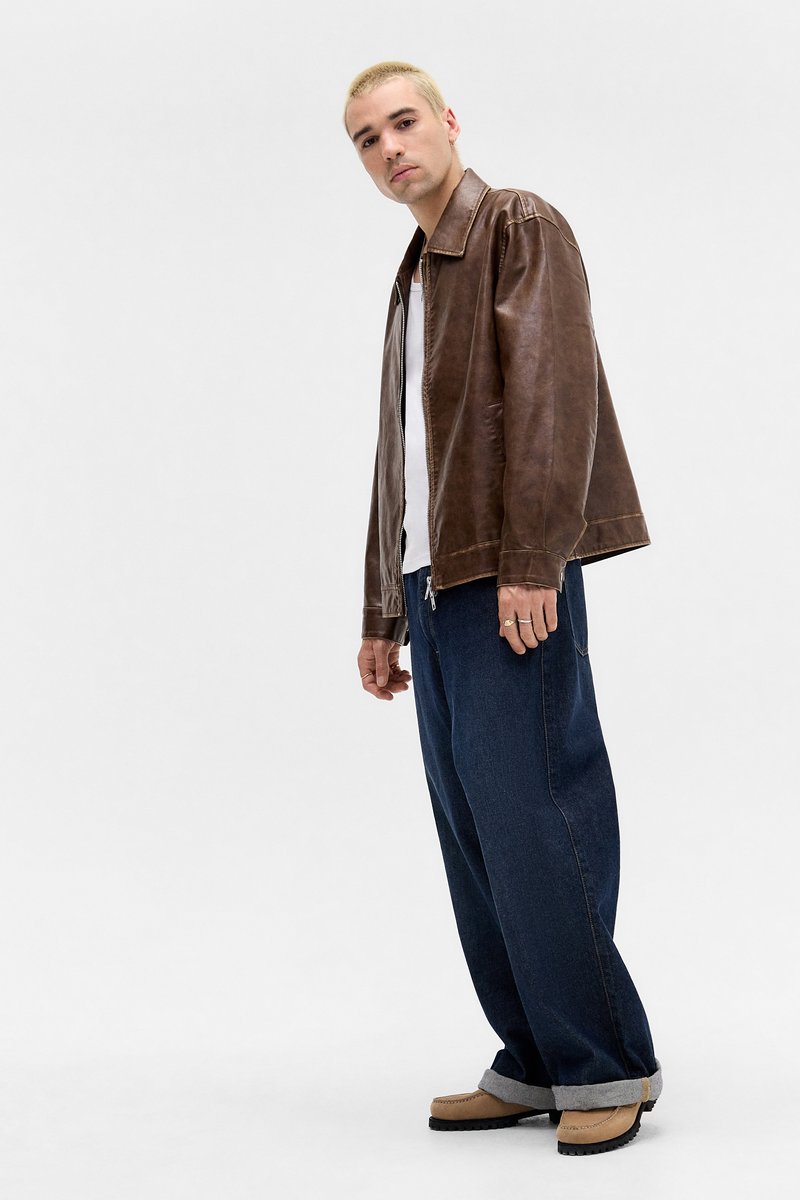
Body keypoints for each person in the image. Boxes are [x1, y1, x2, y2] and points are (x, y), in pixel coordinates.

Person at [343, 60, 663, 1157]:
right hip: (435, 587)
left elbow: (551, 397)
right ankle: (533, 1057)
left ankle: (605, 1059)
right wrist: (382, 606)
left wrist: (533, 561)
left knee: (538, 813)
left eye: (402, 122)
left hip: (504, 574)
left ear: (446, 121)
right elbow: (399, 456)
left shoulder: (514, 226)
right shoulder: (414, 274)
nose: (389, 148)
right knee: (474, 831)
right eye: (366, 138)